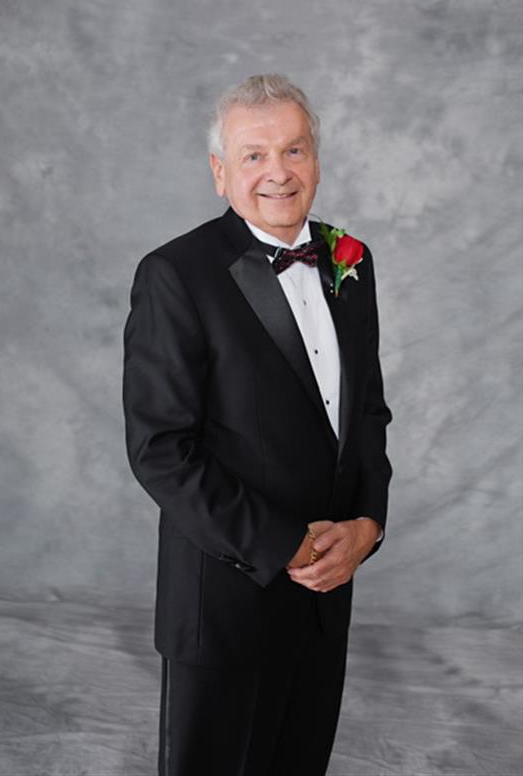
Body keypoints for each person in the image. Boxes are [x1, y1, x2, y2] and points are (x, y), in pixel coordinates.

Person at [122, 73, 392, 776]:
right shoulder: (174, 275)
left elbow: (365, 412)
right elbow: (161, 450)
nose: (278, 172)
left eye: (294, 151)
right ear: (219, 172)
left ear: (316, 159)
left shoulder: (349, 261)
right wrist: (284, 546)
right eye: (253, 155)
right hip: (224, 603)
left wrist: (368, 524)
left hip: (325, 598)